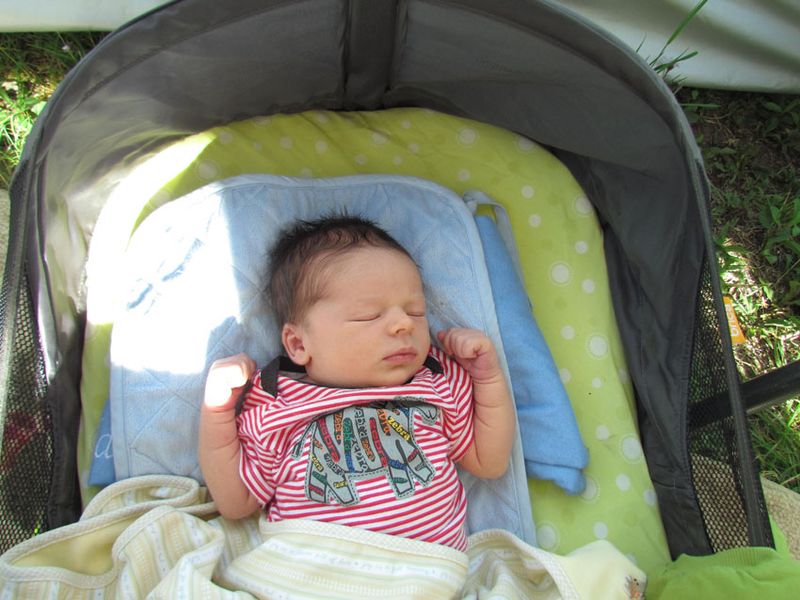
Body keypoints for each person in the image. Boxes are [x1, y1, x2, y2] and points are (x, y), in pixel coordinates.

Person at [198, 215, 514, 551]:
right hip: (314, 569)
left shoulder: (435, 383)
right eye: (369, 315)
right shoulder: (280, 404)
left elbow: (489, 462)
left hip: (426, 569)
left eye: (416, 311)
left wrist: (488, 378)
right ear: (299, 344)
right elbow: (236, 502)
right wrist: (217, 411)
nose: (404, 324)